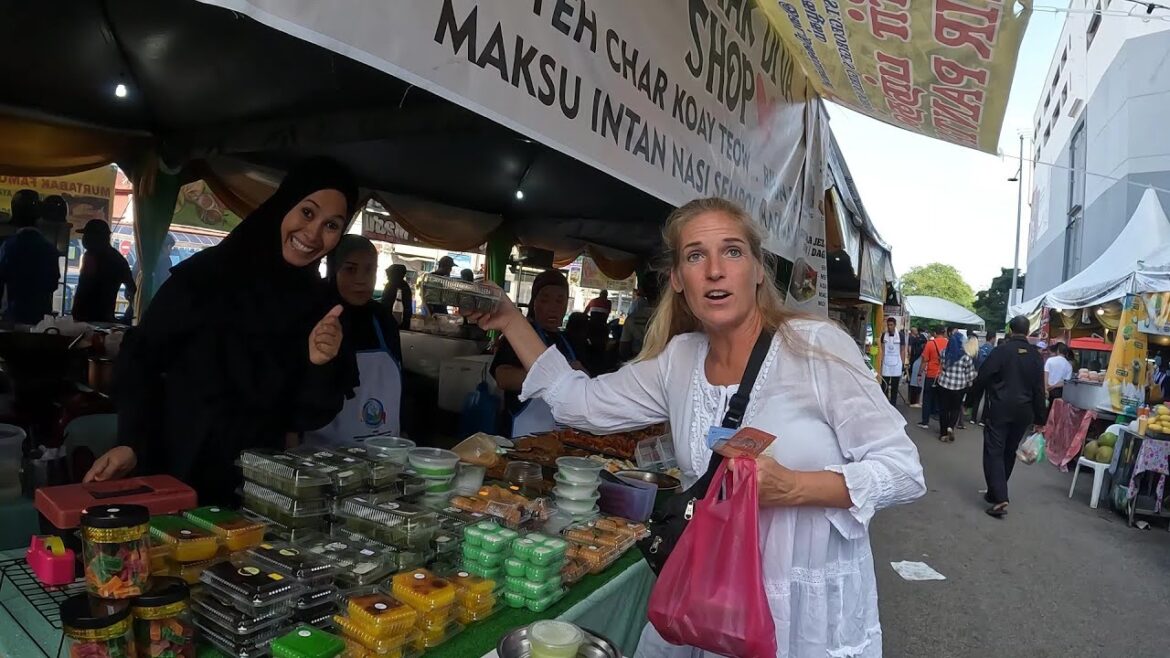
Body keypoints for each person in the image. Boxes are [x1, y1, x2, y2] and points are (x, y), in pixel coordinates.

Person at [468, 197, 924, 656]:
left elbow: (903, 470)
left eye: (732, 251)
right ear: (677, 279)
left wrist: (793, 487)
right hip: (712, 607)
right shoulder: (680, 358)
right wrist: (508, 318)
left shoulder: (815, 347)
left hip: (803, 612)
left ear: (758, 270)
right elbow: (577, 402)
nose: (715, 271)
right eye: (695, 256)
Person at [82, 158, 360, 504]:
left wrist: (320, 364)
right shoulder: (206, 277)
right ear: (284, 205)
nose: (313, 234)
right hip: (176, 470)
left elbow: (304, 416)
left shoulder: (319, 309)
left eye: (331, 225)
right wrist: (132, 442)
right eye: (307, 213)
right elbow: (141, 359)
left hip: (256, 489)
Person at [303, 236, 403, 447]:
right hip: (322, 452)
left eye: (370, 270)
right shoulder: (315, 316)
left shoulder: (383, 319)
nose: (361, 280)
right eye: (350, 269)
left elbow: (399, 380)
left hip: (383, 450)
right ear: (333, 270)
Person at [489, 269, 586, 438]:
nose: (553, 308)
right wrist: (558, 374)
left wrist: (580, 374)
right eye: (545, 300)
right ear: (534, 302)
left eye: (560, 300)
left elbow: (586, 383)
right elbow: (503, 377)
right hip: (521, 433)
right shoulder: (519, 335)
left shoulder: (570, 341)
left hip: (562, 436)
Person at [968, 315, 1046, 517]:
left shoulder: (1001, 351)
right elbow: (1040, 389)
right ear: (1028, 331)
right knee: (1009, 450)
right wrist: (1040, 419)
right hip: (1024, 412)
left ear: (1010, 330)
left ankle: (1000, 496)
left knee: (994, 450)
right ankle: (995, 492)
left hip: (1000, 407)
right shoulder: (1036, 356)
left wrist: (969, 401)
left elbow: (983, 376)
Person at [0, 189, 59, 324]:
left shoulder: (8, 246)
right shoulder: (49, 248)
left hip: (12, 316)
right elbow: (53, 283)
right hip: (40, 319)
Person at [71, 220, 137, 323]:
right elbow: (131, 287)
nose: (84, 239)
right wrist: (129, 306)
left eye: (88, 235)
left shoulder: (94, 256)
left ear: (98, 238)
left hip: (94, 319)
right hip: (100, 319)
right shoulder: (117, 258)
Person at [935, 332, 977, 442]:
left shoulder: (943, 352)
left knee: (943, 409)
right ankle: (950, 427)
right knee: (955, 408)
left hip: (944, 384)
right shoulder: (966, 356)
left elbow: (941, 364)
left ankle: (943, 433)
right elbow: (970, 375)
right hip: (959, 387)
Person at [917, 326, 948, 430]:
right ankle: (942, 423)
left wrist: (919, 373)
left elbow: (924, 361)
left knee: (927, 399)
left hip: (931, 375)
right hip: (943, 376)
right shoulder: (948, 344)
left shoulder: (930, 344)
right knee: (942, 400)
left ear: (935, 333)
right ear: (944, 333)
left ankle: (925, 422)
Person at [968, 333, 997, 425]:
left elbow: (974, 362)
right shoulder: (994, 351)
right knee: (987, 399)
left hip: (978, 376)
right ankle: (982, 420)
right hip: (989, 378)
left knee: (977, 397)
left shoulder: (979, 349)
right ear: (993, 338)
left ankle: (973, 418)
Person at [879, 316, 906, 407]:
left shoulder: (901, 336)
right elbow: (882, 349)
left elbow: (902, 350)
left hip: (897, 362)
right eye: (888, 325)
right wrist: (881, 362)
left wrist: (902, 363)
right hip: (886, 362)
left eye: (891, 325)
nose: (889, 327)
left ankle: (893, 404)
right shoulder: (884, 335)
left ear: (895, 325)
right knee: (884, 384)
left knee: (895, 385)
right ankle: (884, 403)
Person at [1044, 342, 1073, 421]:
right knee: (1056, 414)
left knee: (1046, 413)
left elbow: (1045, 375)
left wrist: (1046, 388)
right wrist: (1054, 386)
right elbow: (1066, 382)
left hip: (1047, 390)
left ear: (1057, 350)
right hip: (1060, 392)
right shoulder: (1068, 365)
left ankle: (1043, 426)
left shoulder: (1050, 360)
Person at [382, 264, 413, 330]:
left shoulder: (401, 288)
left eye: (389, 275)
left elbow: (407, 310)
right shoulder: (391, 286)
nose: (387, 277)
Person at [907, 327, 927, 407]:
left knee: (913, 383)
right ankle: (916, 401)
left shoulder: (914, 341)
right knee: (918, 384)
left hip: (913, 363)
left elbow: (910, 351)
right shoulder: (922, 349)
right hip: (919, 364)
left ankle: (911, 401)